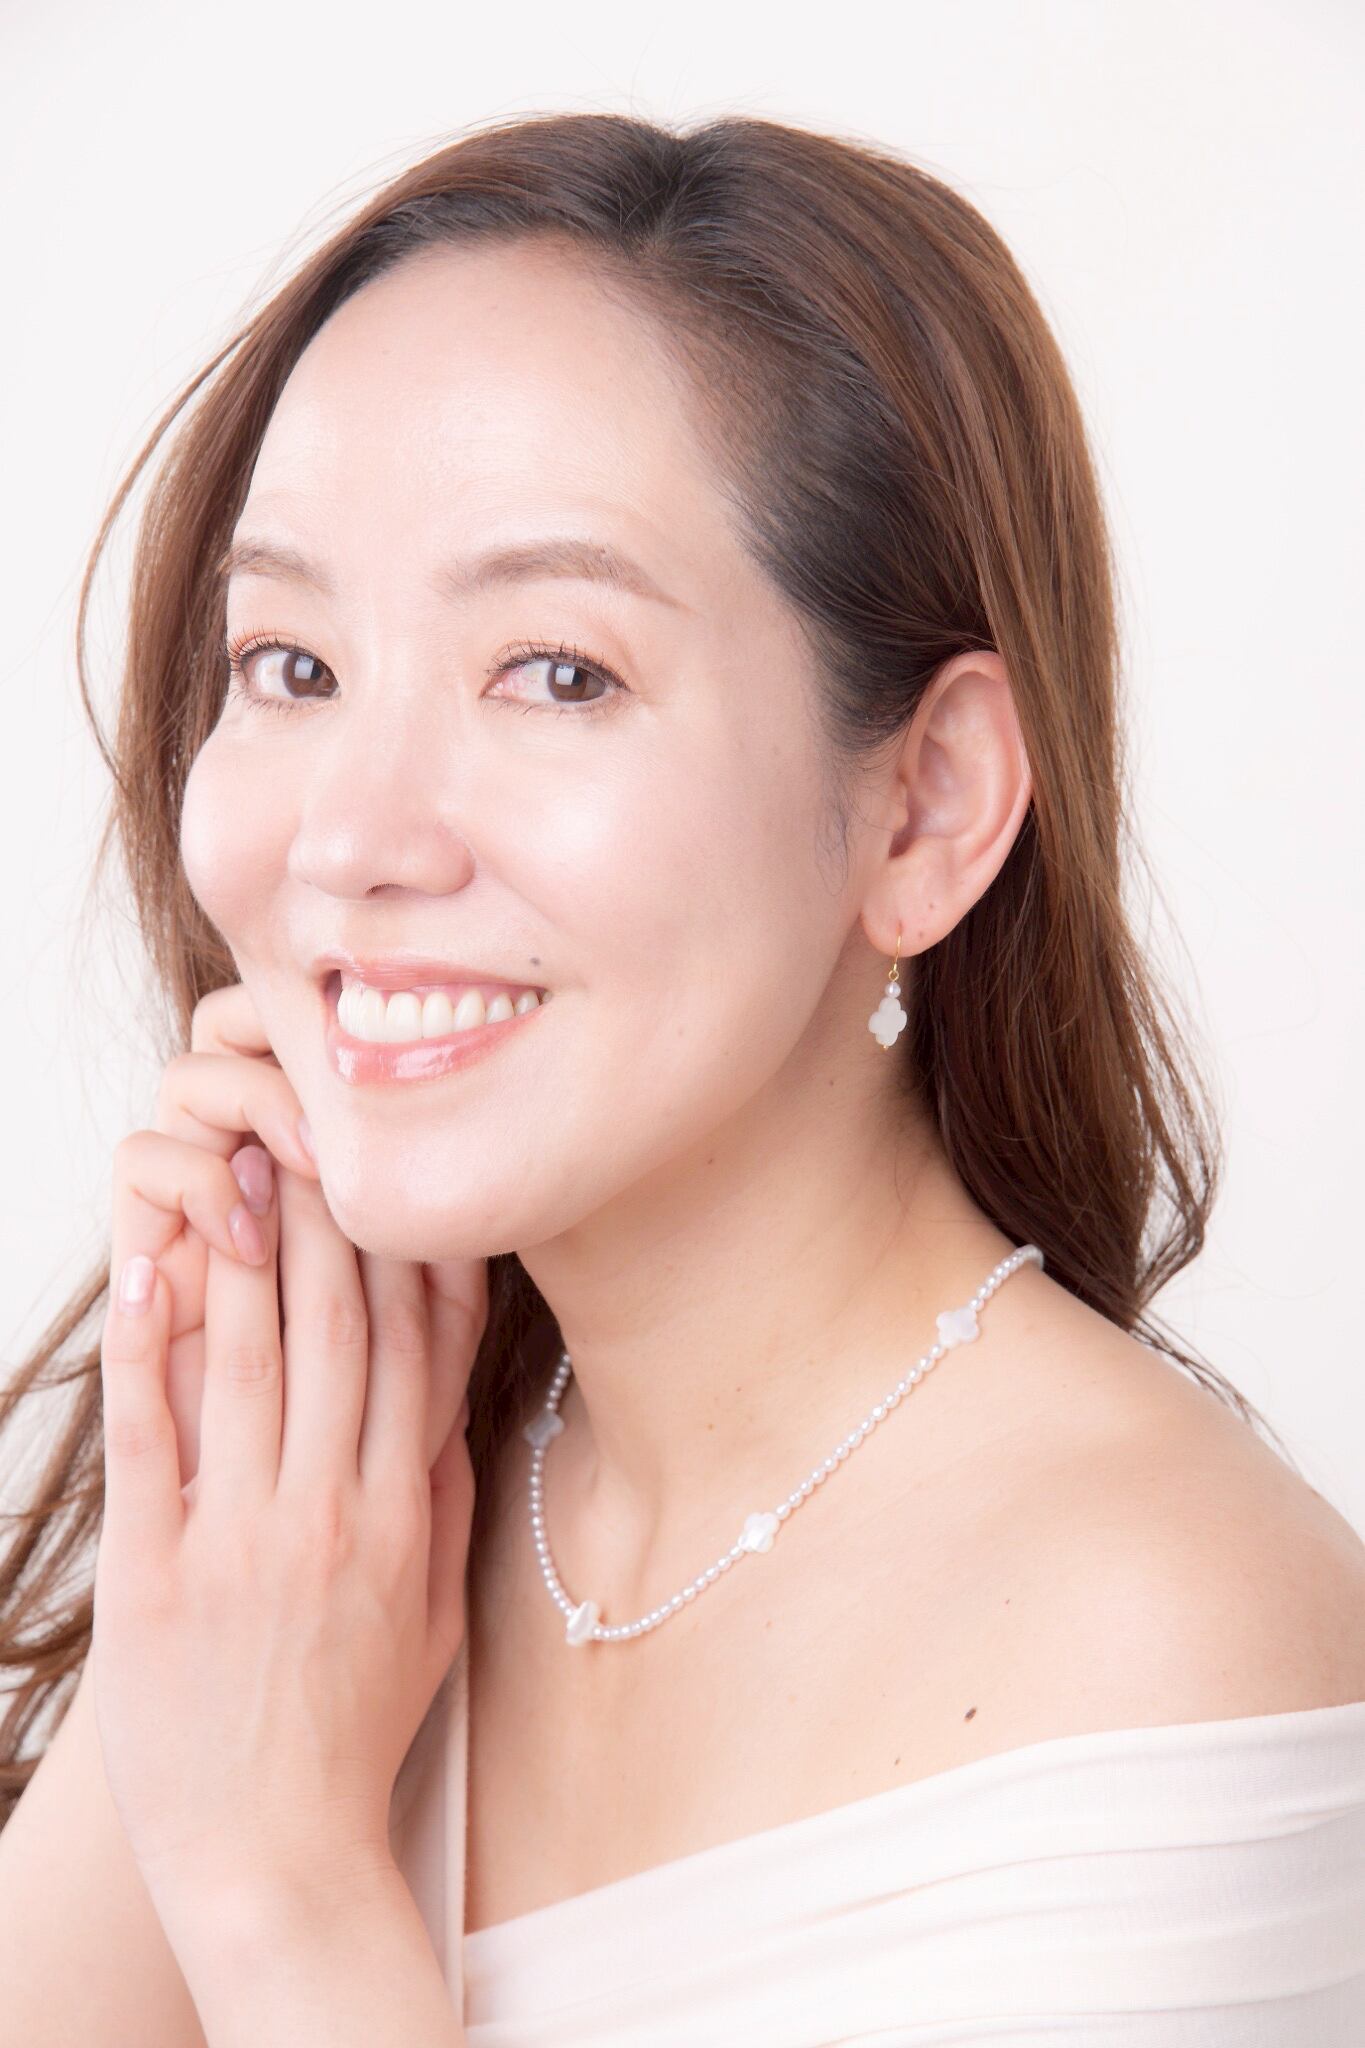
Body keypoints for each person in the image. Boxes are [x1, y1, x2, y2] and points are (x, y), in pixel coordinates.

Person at [1, 108, 1363, 2046]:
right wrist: (217, 1467)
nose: (351, 838)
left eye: (554, 672)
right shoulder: (333, 1520)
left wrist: (285, 1889)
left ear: (926, 804)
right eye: (290, 664)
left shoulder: (1157, 1631)